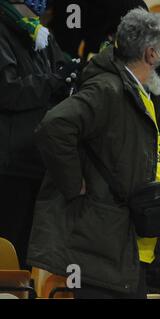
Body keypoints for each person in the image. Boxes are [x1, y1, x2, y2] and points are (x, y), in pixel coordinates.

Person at [27, 8, 160, 299]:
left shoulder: (144, 91)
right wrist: (73, 183)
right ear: (150, 54)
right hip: (99, 243)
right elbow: (54, 127)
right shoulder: (106, 88)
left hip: (128, 242)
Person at [0, 0, 76, 269]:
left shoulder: (40, 32)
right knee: (8, 251)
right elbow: (7, 91)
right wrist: (53, 81)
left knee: (29, 255)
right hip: (10, 164)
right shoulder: (4, 31)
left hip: (38, 158)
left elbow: (62, 70)